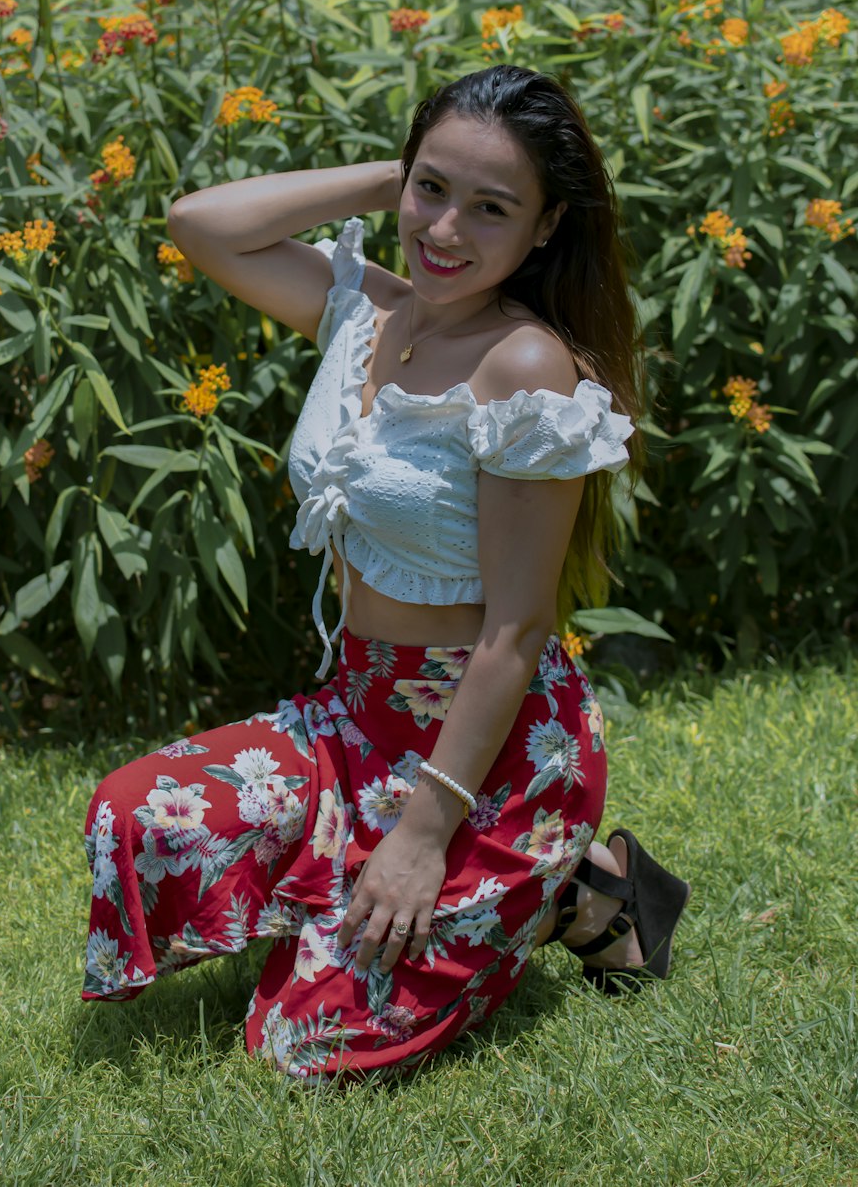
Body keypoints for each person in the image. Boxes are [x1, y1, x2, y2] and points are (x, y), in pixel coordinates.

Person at [81, 64, 690, 1081]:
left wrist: (421, 832)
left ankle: (579, 889)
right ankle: (544, 888)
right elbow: (201, 223)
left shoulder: (522, 367)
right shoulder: (368, 310)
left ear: (544, 230)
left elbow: (516, 630)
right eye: (431, 190)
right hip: (355, 716)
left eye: (491, 208)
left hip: (488, 751)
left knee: (307, 1044)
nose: (446, 230)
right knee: (135, 811)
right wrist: (392, 180)